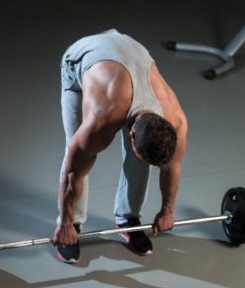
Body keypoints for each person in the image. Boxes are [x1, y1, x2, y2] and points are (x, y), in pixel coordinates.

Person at [53, 29, 188, 263]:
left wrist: (168, 210)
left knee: (140, 159)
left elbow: (172, 167)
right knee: (77, 149)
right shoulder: (101, 119)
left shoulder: (175, 121)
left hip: (127, 52)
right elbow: (72, 172)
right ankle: (72, 224)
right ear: (131, 132)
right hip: (81, 58)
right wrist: (65, 223)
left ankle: (128, 219)